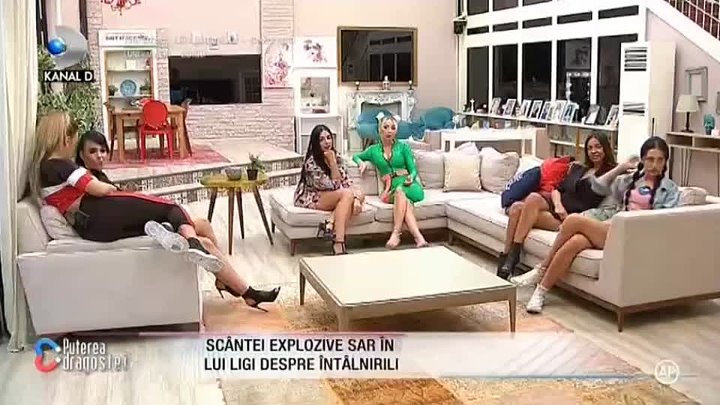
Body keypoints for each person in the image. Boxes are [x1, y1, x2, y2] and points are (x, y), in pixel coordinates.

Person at [31, 112, 279, 310]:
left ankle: (243, 290)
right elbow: (97, 188)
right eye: (74, 140)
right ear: (65, 139)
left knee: (177, 221)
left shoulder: (44, 171)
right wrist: (112, 188)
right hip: (101, 212)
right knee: (171, 207)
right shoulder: (59, 165)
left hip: (95, 227)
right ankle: (196, 246)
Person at [512, 136, 679, 314]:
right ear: (642, 160)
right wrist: (621, 168)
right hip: (614, 226)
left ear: (666, 162)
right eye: (650, 159)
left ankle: (542, 267)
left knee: (573, 220)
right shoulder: (630, 181)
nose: (654, 165)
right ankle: (540, 292)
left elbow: (663, 221)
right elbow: (598, 187)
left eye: (660, 160)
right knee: (575, 242)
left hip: (634, 235)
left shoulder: (670, 189)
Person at [498, 133, 617, 279]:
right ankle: (508, 254)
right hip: (557, 206)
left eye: (598, 147)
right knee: (518, 206)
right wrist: (558, 206)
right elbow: (557, 189)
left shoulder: (610, 174)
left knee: (522, 207)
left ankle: (509, 258)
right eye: (590, 148)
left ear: (606, 148)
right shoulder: (579, 168)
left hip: (569, 218)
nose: (594, 151)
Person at [352, 113, 428, 249]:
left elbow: (413, 170)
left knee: (400, 192)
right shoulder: (373, 151)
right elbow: (356, 156)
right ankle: (419, 238)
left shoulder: (403, 148)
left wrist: (411, 177)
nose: (389, 131)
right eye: (386, 127)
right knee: (404, 201)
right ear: (379, 129)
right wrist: (360, 163)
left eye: (393, 128)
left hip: (410, 185)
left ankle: (396, 233)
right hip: (392, 189)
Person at [294, 124, 365, 255]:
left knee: (358, 193)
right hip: (313, 196)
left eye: (328, 138)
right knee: (347, 194)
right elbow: (333, 185)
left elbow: (347, 181)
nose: (327, 142)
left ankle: (330, 222)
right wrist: (332, 163)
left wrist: (356, 199)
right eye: (321, 139)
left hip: (333, 194)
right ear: (316, 143)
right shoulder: (311, 162)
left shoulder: (336, 157)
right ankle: (339, 243)